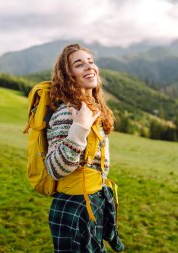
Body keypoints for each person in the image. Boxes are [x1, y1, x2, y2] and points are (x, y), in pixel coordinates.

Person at [45, 43, 124, 252]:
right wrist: (79, 128)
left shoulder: (89, 108)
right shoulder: (67, 114)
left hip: (92, 202)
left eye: (90, 62)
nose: (89, 67)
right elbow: (54, 168)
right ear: (68, 76)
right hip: (75, 207)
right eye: (79, 65)